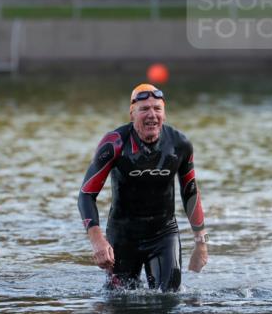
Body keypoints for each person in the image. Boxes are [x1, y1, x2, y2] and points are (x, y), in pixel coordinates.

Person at [78, 84, 208, 291]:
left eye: (157, 109)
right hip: (122, 237)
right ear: (132, 114)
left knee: (169, 299)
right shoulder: (114, 143)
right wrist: (98, 241)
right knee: (118, 303)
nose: (152, 115)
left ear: (164, 114)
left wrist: (201, 244)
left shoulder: (180, 144)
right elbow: (86, 194)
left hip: (163, 234)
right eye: (144, 109)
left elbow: (190, 193)